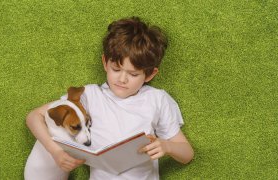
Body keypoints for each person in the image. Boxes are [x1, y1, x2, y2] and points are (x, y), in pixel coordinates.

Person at [25, 16, 194, 180]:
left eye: (133, 74)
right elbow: (34, 117)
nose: (122, 79)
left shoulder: (157, 99)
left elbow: (187, 153)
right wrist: (55, 151)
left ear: (149, 74)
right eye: (116, 69)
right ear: (105, 63)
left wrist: (168, 146)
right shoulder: (89, 96)